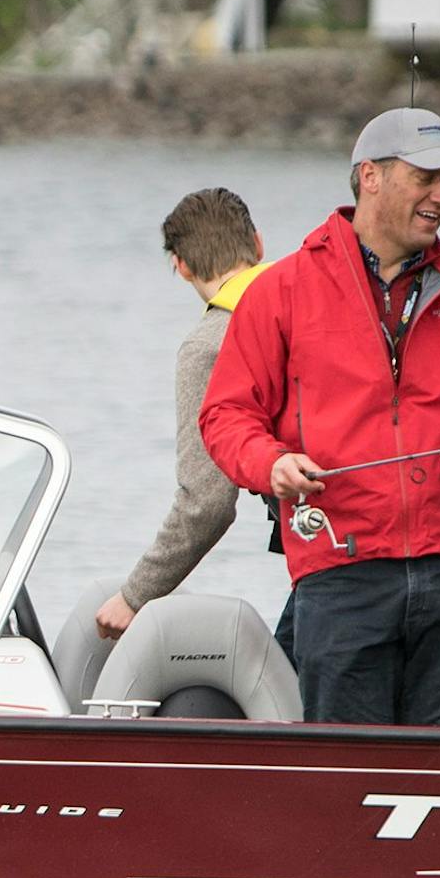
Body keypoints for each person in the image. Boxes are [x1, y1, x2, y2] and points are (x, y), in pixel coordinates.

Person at [199, 108, 440, 725]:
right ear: (370, 176)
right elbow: (227, 415)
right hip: (341, 570)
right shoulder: (282, 290)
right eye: (426, 179)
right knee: (346, 774)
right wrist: (272, 462)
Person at [96, 188, 273, 641]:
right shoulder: (317, 300)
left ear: (182, 267)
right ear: (258, 244)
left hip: (340, 561)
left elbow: (207, 502)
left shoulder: (210, 346)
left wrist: (135, 596)